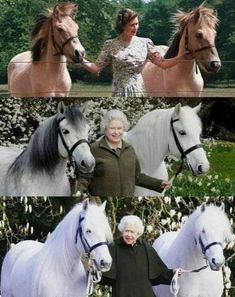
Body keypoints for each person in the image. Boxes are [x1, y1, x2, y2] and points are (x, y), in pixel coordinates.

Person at [81, 8, 188, 97]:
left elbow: (163, 64)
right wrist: (80, 59)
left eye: (137, 24)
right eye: (132, 25)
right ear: (122, 26)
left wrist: (180, 57)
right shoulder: (110, 44)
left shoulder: (146, 43)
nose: (135, 27)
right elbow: (95, 68)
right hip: (118, 91)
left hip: (139, 90)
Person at [76, 109, 171, 196]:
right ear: (105, 129)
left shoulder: (129, 150)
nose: (116, 132)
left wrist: (158, 183)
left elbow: (137, 177)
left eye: (119, 128)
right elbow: (86, 177)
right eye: (112, 128)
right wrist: (78, 192)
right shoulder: (94, 149)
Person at [99, 215, 183, 297]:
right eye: (126, 231)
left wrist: (173, 272)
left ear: (138, 233)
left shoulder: (146, 248)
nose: (129, 235)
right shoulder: (113, 247)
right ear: (122, 231)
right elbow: (105, 275)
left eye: (132, 232)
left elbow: (158, 273)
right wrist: (93, 271)